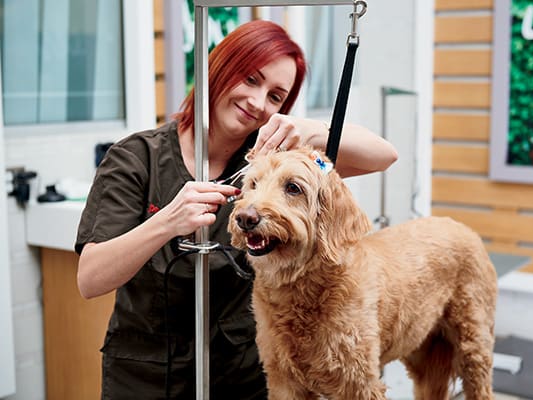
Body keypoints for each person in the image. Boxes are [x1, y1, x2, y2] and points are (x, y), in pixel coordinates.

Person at [75, 19, 398, 400]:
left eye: (276, 96)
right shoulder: (136, 157)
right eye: (250, 80)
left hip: (241, 373)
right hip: (146, 373)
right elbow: (90, 279)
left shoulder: (273, 164)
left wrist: (311, 129)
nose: (258, 102)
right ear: (218, 71)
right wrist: (166, 222)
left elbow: (384, 155)